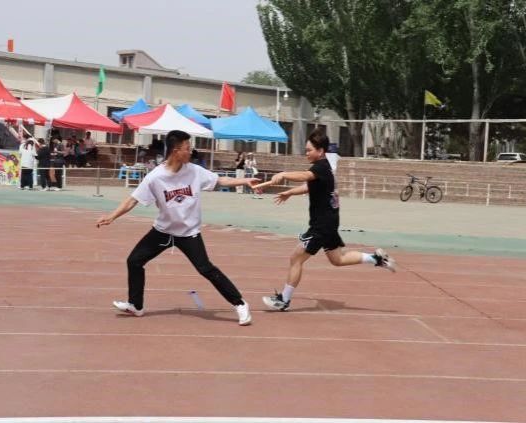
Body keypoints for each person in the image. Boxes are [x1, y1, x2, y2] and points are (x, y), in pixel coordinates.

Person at [96, 130, 259, 326]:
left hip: (189, 233)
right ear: (176, 151)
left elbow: (220, 180)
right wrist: (112, 216)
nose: (191, 152)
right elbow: (133, 200)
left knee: (205, 268)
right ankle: (135, 305)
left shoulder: (195, 171)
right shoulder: (155, 177)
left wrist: (245, 180)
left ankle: (240, 304)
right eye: (187, 148)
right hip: (162, 231)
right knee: (134, 261)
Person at [261, 128, 396, 312]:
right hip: (330, 223)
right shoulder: (324, 168)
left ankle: (283, 300)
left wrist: (284, 174)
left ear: (320, 151)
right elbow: (309, 186)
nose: (306, 153)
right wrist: (290, 192)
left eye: (309, 150)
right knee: (338, 259)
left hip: (321, 226)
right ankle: (376, 259)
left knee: (296, 259)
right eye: (306, 150)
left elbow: (305, 176)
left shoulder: (321, 167)